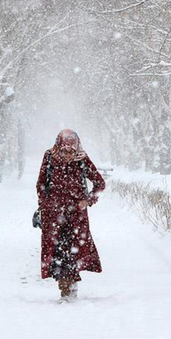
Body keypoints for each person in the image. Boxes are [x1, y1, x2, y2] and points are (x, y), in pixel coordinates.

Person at [36, 129, 106, 302]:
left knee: (71, 252)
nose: (68, 154)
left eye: (71, 150)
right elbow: (41, 184)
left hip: (76, 217)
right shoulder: (49, 157)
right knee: (57, 253)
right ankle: (65, 287)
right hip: (53, 216)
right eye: (65, 150)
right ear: (59, 145)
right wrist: (46, 204)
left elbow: (99, 184)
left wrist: (87, 201)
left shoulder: (82, 159)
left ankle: (68, 289)